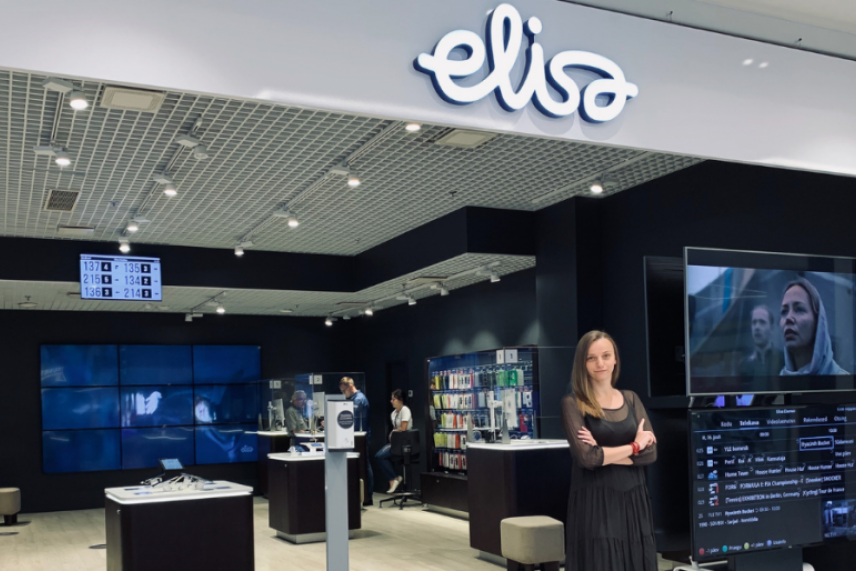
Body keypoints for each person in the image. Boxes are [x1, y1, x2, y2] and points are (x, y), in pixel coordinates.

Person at [561, 330, 658, 571]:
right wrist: (635, 446)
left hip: (633, 498)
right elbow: (588, 458)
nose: (600, 363)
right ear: (582, 363)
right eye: (591, 358)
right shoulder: (573, 404)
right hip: (595, 501)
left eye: (606, 355)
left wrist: (603, 452)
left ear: (615, 359)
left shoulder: (631, 399)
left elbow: (651, 454)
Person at [779, 277, 848, 375]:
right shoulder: (779, 379)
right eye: (784, 311)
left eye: (799, 309)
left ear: (818, 322)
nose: (788, 318)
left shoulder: (843, 379)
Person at [340, 376, 374, 504]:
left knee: (364, 465)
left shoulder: (358, 400)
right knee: (364, 464)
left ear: (350, 386)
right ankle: (365, 496)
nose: (343, 394)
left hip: (359, 438)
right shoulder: (355, 399)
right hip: (358, 437)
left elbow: (354, 422)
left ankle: (367, 496)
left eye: (344, 391)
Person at [374, 389, 412, 493]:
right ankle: (393, 478)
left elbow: (403, 428)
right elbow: (395, 429)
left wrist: (393, 432)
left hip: (405, 443)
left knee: (380, 456)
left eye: (393, 399)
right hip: (395, 443)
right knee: (378, 456)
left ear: (400, 400)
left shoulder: (405, 410)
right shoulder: (393, 414)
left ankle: (394, 478)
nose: (391, 401)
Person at [738, 305, 783, 377]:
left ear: (771, 328)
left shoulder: (782, 359)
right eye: (754, 322)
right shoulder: (744, 364)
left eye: (762, 322)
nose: (757, 327)